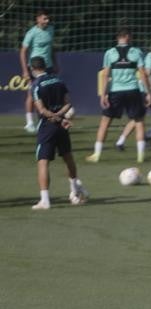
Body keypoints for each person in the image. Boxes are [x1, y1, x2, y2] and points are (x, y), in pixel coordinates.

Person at [29, 56, 88, 210]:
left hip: (47, 126)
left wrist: (53, 116)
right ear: (45, 66)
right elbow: (68, 103)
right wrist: (60, 116)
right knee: (68, 157)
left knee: (43, 162)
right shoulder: (58, 80)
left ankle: (45, 200)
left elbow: (41, 110)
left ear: (33, 69)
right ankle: (74, 191)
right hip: (62, 125)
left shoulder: (36, 85)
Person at [86, 28, 151, 163]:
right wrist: (148, 92)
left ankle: (96, 155)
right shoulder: (136, 52)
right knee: (139, 121)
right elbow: (143, 73)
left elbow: (105, 74)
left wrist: (103, 95)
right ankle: (140, 156)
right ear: (128, 37)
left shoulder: (109, 53)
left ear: (118, 38)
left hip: (116, 91)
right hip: (133, 90)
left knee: (105, 122)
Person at [115, 34, 151, 151]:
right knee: (137, 118)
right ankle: (120, 141)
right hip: (142, 91)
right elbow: (147, 75)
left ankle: (149, 135)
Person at [20, 9, 58, 134]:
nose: (47, 21)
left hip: (49, 67)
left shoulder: (51, 30)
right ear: (38, 19)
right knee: (32, 94)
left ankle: (45, 119)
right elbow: (23, 51)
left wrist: (55, 63)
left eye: (48, 19)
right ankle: (29, 122)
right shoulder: (32, 33)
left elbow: (51, 48)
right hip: (35, 67)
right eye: (44, 18)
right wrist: (25, 70)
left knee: (48, 93)